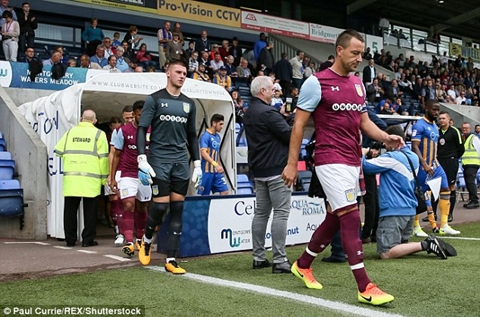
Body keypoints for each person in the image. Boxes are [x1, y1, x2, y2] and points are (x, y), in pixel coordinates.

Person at [282, 29, 401, 306]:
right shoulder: (316, 82)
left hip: (352, 159)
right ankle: (365, 285)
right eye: (355, 53)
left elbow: (363, 122)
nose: (359, 58)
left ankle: (302, 264)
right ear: (339, 50)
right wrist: (291, 163)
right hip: (328, 158)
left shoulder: (358, 85)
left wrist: (385, 137)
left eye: (362, 54)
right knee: (350, 216)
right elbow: (298, 125)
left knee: (336, 216)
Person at [136, 57, 200, 274]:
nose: (182, 76)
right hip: (158, 160)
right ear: (168, 73)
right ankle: (145, 239)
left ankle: (171, 259)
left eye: (185, 73)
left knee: (177, 209)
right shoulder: (154, 99)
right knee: (161, 206)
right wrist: (142, 157)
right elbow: (142, 129)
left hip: (181, 162)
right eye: (178, 72)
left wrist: (198, 163)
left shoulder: (189, 103)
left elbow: (192, 136)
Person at [362, 125, 457, 260]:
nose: (383, 143)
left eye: (386, 139)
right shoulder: (413, 156)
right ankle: (424, 245)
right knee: (401, 247)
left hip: (393, 211)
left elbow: (365, 167)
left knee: (386, 253)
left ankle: (426, 244)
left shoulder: (392, 157)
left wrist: (362, 152)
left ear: (395, 139)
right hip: (410, 210)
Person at [244, 76, 292, 274]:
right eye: (272, 89)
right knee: (281, 213)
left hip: (259, 171)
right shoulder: (269, 112)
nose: (275, 92)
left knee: (261, 214)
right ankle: (280, 259)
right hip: (276, 170)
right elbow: (289, 135)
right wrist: (293, 119)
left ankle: (258, 256)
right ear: (262, 91)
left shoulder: (249, 112)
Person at [54, 110, 109, 247]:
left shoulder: (70, 132)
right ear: (95, 121)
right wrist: (104, 179)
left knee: (70, 210)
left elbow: (58, 151)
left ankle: (70, 240)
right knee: (90, 213)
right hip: (91, 179)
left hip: (72, 179)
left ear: (81, 119)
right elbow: (103, 159)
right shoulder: (99, 134)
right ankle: (87, 240)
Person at [410, 100, 461, 237]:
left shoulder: (434, 126)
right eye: (434, 110)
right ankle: (416, 226)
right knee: (419, 194)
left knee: (445, 189)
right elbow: (414, 147)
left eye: (438, 110)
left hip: (435, 164)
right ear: (426, 108)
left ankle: (444, 224)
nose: (436, 113)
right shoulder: (419, 125)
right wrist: (424, 164)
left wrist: (433, 161)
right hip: (422, 166)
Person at [110, 101, 151, 257]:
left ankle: (140, 239)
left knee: (142, 207)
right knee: (128, 204)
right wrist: (113, 177)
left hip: (145, 175)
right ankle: (129, 242)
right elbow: (116, 154)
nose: (143, 117)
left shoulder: (152, 130)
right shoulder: (123, 130)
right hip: (128, 173)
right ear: (134, 115)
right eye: (140, 114)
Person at [429, 111, 464, 222]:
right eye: (440, 118)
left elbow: (461, 148)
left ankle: (449, 213)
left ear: (449, 119)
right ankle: (432, 214)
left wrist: (453, 157)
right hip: (439, 162)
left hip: (451, 162)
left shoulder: (455, 131)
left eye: (443, 118)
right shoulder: (436, 132)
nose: (441, 120)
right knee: (435, 187)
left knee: (449, 187)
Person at [108, 106, 135, 246]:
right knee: (117, 198)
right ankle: (120, 232)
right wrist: (110, 174)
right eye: (127, 118)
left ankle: (136, 234)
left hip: (137, 172)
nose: (130, 120)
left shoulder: (142, 130)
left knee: (137, 204)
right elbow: (113, 152)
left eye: (131, 117)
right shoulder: (119, 131)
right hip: (121, 170)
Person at [197, 114, 229, 196]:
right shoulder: (205, 136)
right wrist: (215, 164)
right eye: (220, 124)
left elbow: (217, 153)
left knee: (225, 192)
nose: (222, 127)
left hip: (216, 172)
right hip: (207, 171)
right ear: (214, 123)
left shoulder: (218, 137)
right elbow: (203, 153)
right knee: (204, 196)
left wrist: (219, 166)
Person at [461, 122, 480, 209]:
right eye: (463, 128)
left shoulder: (473, 138)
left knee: (470, 182)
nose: (464, 129)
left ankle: (475, 200)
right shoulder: (464, 138)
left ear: (470, 128)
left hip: (473, 163)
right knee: (468, 182)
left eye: (466, 128)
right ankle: (472, 199)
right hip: (466, 163)